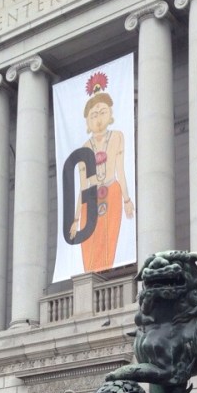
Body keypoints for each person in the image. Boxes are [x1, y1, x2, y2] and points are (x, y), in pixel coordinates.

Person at [69, 72, 135, 272]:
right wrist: (75, 220)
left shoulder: (117, 137)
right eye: (93, 115)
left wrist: (126, 200)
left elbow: (120, 170)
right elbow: (83, 186)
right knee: (89, 254)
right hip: (90, 200)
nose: (98, 119)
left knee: (110, 244)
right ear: (87, 122)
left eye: (102, 112)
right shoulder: (84, 147)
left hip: (112, 193)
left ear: (111, 114)